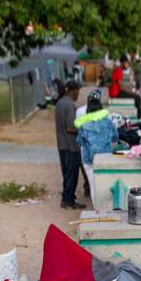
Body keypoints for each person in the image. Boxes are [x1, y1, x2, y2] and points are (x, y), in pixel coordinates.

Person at [55, 78, 85, 210]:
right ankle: (67, 200)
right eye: (78, 92)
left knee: (66, 173)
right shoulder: (70, 105)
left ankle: (69, 199)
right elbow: (70, 127)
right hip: (71, 145)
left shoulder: (59, 103)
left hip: (61, 144)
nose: (78, 95)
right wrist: (83, 128)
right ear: (74, 92)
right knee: (72, 175)